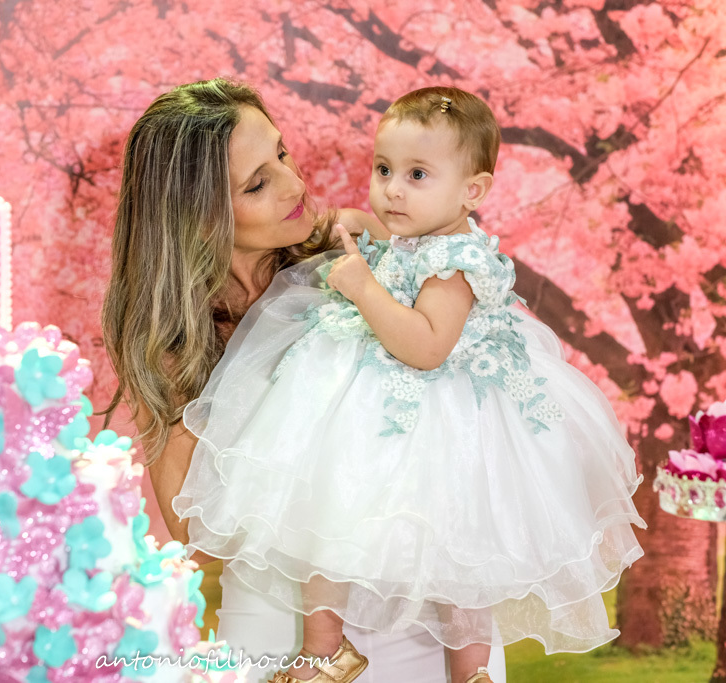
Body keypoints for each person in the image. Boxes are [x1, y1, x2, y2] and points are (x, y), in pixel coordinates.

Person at [171, 86, 646, 683]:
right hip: (374, 419)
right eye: (384, 169)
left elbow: (426, 347)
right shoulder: (407, 240)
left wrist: (363, 288)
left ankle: (468, 671)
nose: (393, 189)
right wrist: (359, 241)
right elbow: (376, 243)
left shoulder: (455, 263)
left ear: (473, 191)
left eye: (417, 174)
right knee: (326, 516)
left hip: (439, 419)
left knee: (459, 550)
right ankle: (326, 649)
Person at [103, 79, 507, 682]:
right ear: (195, 216)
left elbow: (448, 360)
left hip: (428, 595)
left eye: (282, 153)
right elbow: (196, 532)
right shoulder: (173, 342)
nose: (294, 185)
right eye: (257, 184)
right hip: (285, 615)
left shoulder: (355, 244)